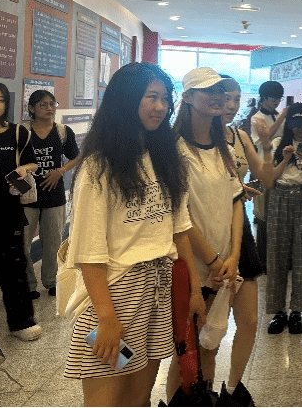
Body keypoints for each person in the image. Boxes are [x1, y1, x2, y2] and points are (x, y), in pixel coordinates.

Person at [63, 63, 206, 407]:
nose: (161, 107)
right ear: (126, 100)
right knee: (107, 399)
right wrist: (106, 317)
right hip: (116, 294)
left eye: (165, 98)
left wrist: (195, 291)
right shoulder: (99, 167)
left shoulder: (166, 159)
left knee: (139, 397)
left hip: (158, 290)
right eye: (151, 97)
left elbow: (179, 231)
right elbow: (88, 251)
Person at [167, 67, 245, 400]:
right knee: (185, 355)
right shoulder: (175, 149)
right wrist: (213, 262)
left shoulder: (222, 146)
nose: (218, 97)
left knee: (211, 347)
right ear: (187, 97)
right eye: (208, 90)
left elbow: (236, 201)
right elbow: (180, 216)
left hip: (224, 268)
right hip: (194, 268)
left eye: (220, 91)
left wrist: (234, 256)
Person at [212, 74, 265, 395]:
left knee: (250, 320)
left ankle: (232, 390)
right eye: (223, 99)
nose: (230, 106)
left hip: (239, 228)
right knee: (206, 329)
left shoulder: (240, 136)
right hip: (207, 231)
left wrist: (271, 145)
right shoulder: (188, 140)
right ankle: (197, 391)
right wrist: (231, 188)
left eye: (236, 99)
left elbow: (263, 175)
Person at [258, 102, 302, 335]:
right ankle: (278, 312)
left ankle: (297, 312)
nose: (299, 128)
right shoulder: (278, 144)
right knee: (276, 255)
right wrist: (285, 158)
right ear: (289, 124)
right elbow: (270, 180)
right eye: (295, 123)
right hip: (279, 197)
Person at [22, 89, 81, 299]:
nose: (49, 109)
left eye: (52, 104)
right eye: (43, 105)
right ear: (32, 108)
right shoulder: (22, 132)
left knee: (53, 243)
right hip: (26, 197)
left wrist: (60, 171)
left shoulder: (63, 131)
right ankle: (28, 285)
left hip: (54, 196)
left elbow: (76, 157)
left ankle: (52, 281)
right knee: (23, 244)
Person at [0, 81, 41, 342]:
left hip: (8, 209)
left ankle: (21, 322)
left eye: (0, 100)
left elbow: (32, 162)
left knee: (14, 267)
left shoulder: (17, 133)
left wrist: (24, 169)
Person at [249, 80, 287, 267]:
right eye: (274, 99)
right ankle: (263, 258)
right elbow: (266, 137)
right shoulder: (256, 118)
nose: (277, 102)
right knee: (264, 214)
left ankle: (280, 255)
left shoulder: (277, 115)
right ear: (264, 98)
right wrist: (283, 117)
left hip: (280, 166)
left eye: (279, 99)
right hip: (263, 166)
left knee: (279, 212)